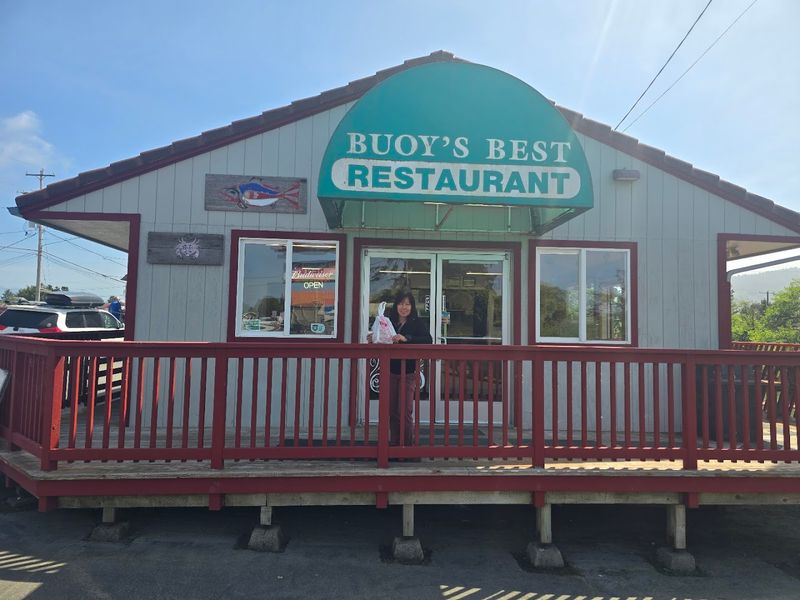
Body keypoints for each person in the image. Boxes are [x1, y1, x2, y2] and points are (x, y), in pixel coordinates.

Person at [369, 290, 433, 446]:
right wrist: (373, 337)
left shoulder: (416, 322)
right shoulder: (387, 321)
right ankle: (394, 444)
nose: (404, 307)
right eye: (401, 303)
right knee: (391, 411)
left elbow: (427, 340)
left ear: (412, 306)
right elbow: (378, 338)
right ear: (396, 305)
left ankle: (406, 446)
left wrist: (407, 338)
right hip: (389, 371)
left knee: (404, 411)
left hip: (409, 372)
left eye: (407, 304)